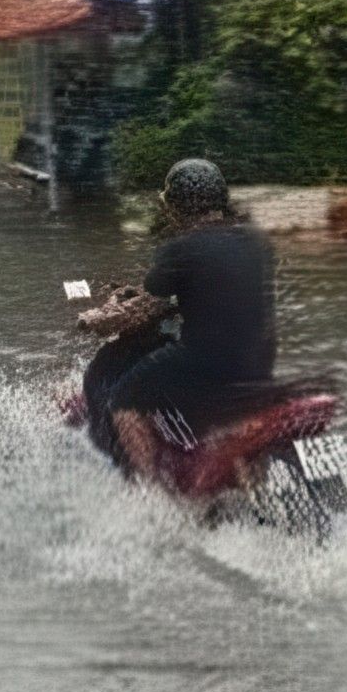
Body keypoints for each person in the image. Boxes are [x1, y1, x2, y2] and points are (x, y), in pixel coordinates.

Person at [106, 158, 277, 477]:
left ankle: (150, 494)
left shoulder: (179, 249)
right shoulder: (256, 242)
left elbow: (145, 305)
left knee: (123, 400)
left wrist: (98, 319)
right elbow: (227, 292)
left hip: (204, 362)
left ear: (175, 207)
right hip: (258, 363)